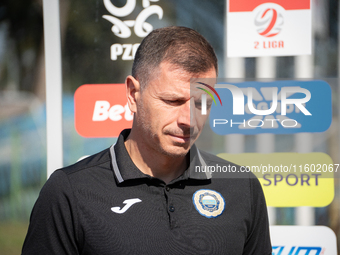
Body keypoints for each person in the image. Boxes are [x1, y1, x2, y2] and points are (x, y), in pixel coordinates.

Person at [22, 26, 271, 254]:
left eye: (201, 103)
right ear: (133, 95)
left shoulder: (242, 186)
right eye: (172, 101)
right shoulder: (70, 192)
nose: (189, 120)